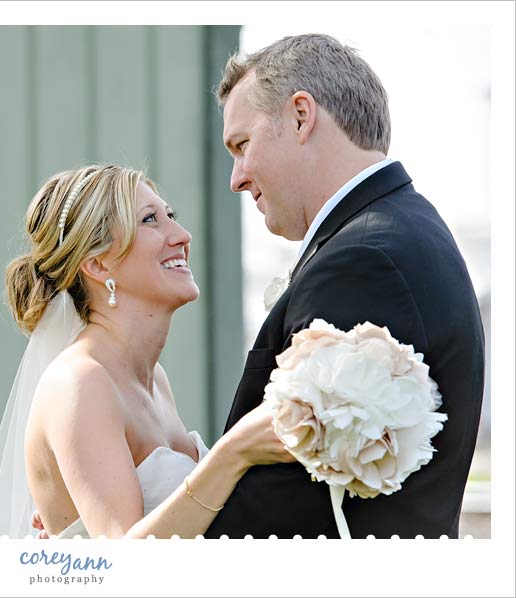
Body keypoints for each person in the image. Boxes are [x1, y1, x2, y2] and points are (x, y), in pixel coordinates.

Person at [207, 33, 484, 538]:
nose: (237, 178)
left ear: (300, 116)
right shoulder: (402, 229)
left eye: (242, 145)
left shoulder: (363, 262)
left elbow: (289, 510)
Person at [0, 165, 295, 539]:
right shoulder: (80, 382)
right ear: (97, 264)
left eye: (171, 217)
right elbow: (127, 566)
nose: (182, 236)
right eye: (150, 220)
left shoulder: (154, 379)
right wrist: (232, 454)